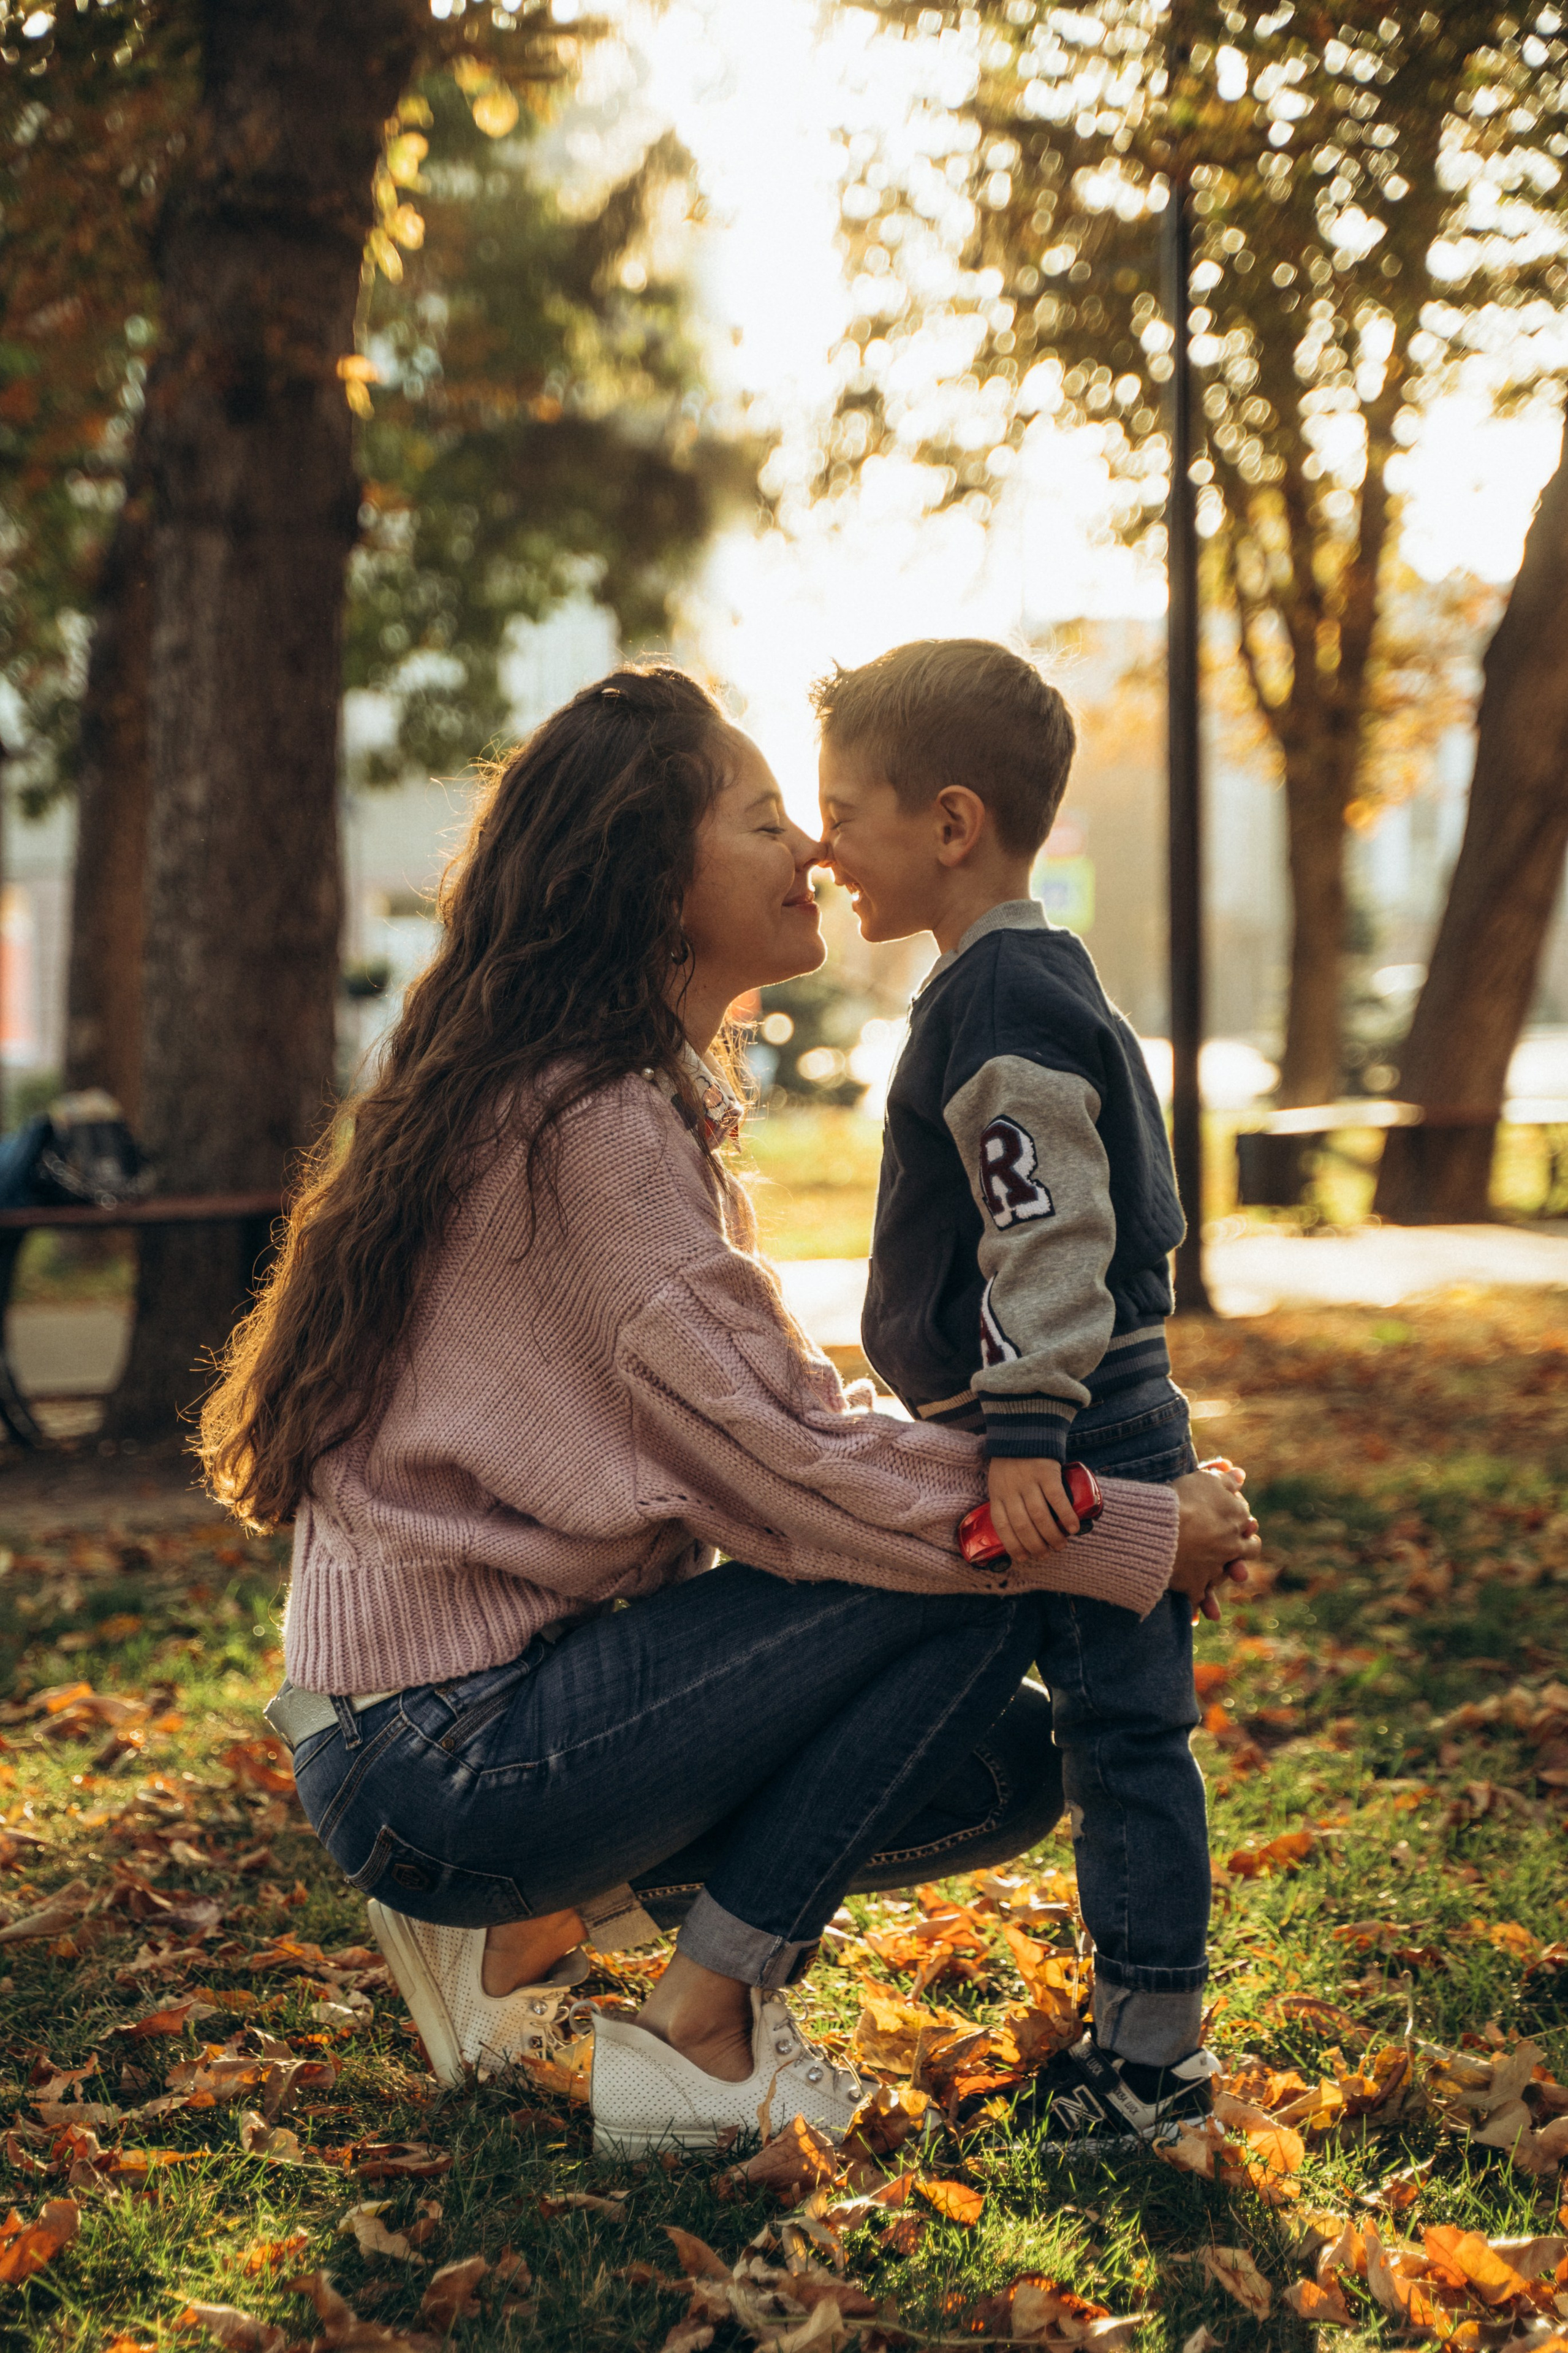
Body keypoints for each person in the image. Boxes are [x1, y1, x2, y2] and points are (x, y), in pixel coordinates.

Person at [199, 663, 1259, 2159]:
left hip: (435, 1736)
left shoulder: (584, 1095)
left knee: (1004, 1766)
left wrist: (1071, 1522)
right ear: (656, 875)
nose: (814, 853)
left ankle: (517, 1934)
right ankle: (698, 2028)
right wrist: (1134, 1529)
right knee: (971, 1572)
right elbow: (799, 1476)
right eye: (769, 820)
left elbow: (771, 1430)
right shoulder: (595, 1134)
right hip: (451, 1758)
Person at [817, 638, 1226, 2148]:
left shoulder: (997, 996)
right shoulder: (996, 985)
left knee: (1123, 1733)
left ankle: (1152, 2069)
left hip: (1067, 1421)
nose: (821, 847)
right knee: (1097, 1725)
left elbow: (1047, 1223)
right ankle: (1140, 2046)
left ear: (948, 822)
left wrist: (1032, 1431)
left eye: (842, 812)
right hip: (1063, 1411)